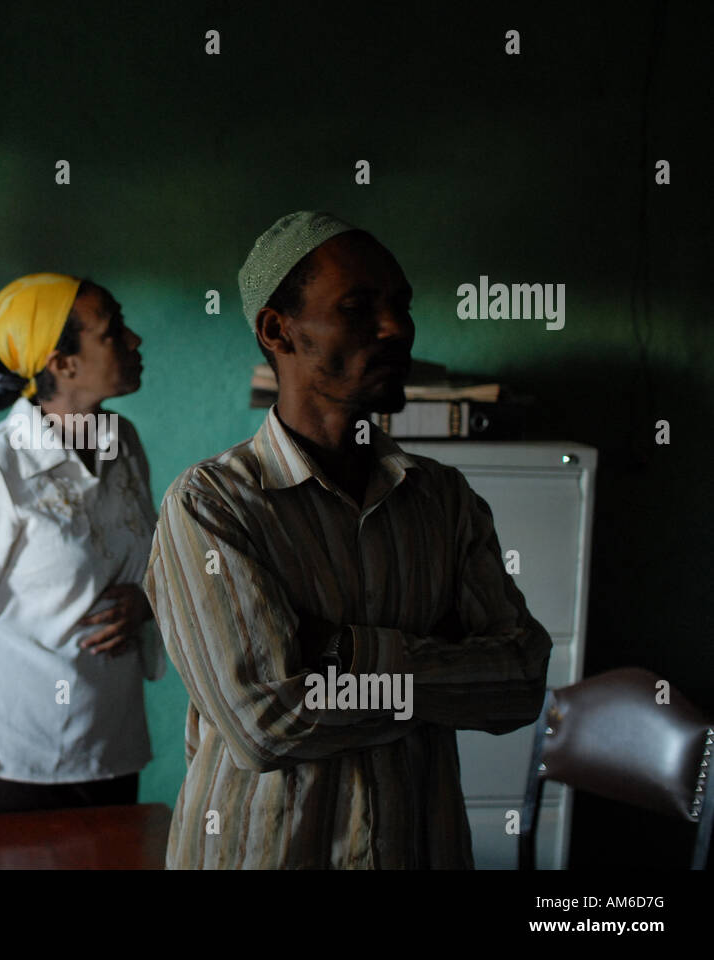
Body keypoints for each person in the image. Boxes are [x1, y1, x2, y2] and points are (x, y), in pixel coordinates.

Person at [144, 211, 552, 868]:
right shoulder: (213, 504)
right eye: (360, 307)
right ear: (278, 330)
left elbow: (521, 682)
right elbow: (263, 723)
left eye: (400, 306)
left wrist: (346, 654)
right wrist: (442, 669)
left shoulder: (443, 501)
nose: (397, 329)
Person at [0, 273, 165, 817]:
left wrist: (145, 602)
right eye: (114, 330)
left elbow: (151, 563)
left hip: (111, 747)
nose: (134, 340)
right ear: (61, 363)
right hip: (11, 760)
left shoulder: (125, 443)